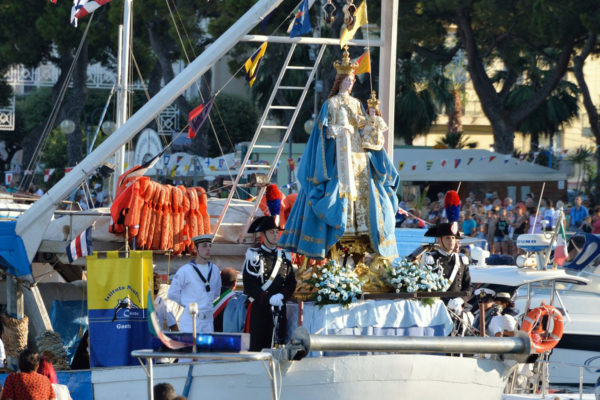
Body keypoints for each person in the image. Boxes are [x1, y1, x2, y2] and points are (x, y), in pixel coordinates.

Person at [279, 46, 399, 260]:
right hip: (340, 159)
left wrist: (372, 119)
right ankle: (340, 230)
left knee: (367, 195)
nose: (350, 83)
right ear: (340, 81)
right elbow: (322, 133)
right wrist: (337, 131)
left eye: (352, 81)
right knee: (340, 192)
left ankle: (361, 232)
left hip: (359, 159)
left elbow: (366, 132)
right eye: (347, 80)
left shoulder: (357, 104)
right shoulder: (330, 104)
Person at [243, 216, 296, 351]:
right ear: (263, 234)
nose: (275, 234)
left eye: (276, 231)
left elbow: (291, 282)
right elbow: (250, 285)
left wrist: (282, 296)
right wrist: (268, 298)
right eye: (271, 232)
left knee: (277, 346)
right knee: (257, 347)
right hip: (259, 309)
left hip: (279, 308)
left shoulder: (284, 256)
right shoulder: (254, 255)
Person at [168, 234, 221, 333]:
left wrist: (205, 301)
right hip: (191, 320)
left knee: (206, 347)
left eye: (210, 246)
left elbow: (216, 293)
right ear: (196, 248)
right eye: (204, 246)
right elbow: (172, 293)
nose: (208, 249)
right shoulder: (185, 270)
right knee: (190, 347)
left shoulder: (215, 270)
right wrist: (187, 303)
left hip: (208, 320)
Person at [422, 221, 471, 295]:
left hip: (457, 304)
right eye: (447, 238)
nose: (451, 241)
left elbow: (468, 286)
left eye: (453, 238)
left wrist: (461, 300)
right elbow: (425, 287)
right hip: (439, 304)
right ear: (439, 240)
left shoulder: (462, 259)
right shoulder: (430, 258)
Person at [213, 267, 239, 332]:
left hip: (207, 337)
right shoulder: (237, 300)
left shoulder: (210, 296)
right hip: (227, 338)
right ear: (235, 283)